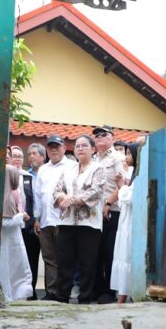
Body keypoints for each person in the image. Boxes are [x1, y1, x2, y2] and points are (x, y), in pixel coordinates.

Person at [53, 135, 106, 304]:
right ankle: (62, 297)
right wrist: (63, 198)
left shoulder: (98, 169)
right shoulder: (68, 169)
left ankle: (85, 299)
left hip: (89, 224)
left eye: (84, 146)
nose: (80, 149)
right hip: (66, 222)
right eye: (77, 146)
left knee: (87, 263)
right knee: (64, 262)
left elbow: (96, 191)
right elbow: (57, 190)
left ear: (93, 149)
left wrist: (72, 199)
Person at [33, 134, 74, 301]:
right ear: (47, 150)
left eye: (57, 146)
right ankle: (51, 292)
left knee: (65, 257)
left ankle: (64, 292)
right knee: (49, 258)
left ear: (64, 148)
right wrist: (37, 218)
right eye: (51, 147)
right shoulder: (43, 169)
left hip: (64, 220)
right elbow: (38, 196)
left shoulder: (72, 166)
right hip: (45, 221)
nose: (54, 150)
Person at [91, 125, 126, 304]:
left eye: (103, 134)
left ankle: (109, 290)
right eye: (96, 135)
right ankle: (96, 289)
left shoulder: (118, 157)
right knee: (95, 252)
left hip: (112, 210)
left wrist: (108, 202)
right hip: (94, 212)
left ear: (112, 138)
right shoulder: (93, 158)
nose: (99, 137)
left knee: (109, 251)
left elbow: (124, 184)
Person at [0, 165, 34, 301]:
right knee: (8, 269)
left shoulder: (12, 194)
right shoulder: (5, 197)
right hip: (6, 243)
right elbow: (4, 222)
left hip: (13, 242)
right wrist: (20, 217)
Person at [10, 146, 41, 300]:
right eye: (14, 156)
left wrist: (35, 219)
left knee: (31, 259)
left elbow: (35, 200)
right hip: (10, 224)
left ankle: (30, 291)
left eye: (20, 156)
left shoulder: (29, 177)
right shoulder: (5, 175)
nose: (17, 159)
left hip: (28, 227)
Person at [110, 143, 139, 304]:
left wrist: (121, 186)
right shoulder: (134, 174)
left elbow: (131, 197)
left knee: (127, 256)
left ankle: (123, 296)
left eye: (129, 154)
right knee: (122, 256)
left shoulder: (139, 175)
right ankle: (121, 295)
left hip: (131, 222)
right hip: (125, 220)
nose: (126, 157)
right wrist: (122, 186)